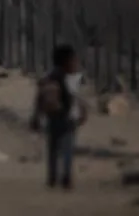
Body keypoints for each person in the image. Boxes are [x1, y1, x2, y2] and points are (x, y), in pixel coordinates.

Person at [32, 44, 84, 190]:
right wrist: (81, 114)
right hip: (67, 118)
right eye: (73, 60)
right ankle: (66, 176)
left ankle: (52, 177)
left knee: (52, 149)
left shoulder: (47, 77)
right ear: (67, 61)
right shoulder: (70, 78)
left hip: (52, 118)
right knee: (67, 149)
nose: (75, 62)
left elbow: (39, 98)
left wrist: (36, 116)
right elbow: (76, 99)